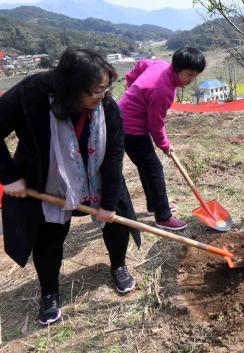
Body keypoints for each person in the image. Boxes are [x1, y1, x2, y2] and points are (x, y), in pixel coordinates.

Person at [0, 48, 141, 325]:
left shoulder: (108, 107)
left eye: (106, 88)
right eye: (95, 91)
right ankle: (49, 293)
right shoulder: (32, 94)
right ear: (71, 88)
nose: (103, 96)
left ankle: (119, 265)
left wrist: (109, 205)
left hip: (97, 175)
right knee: (49, 237)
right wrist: (9, 176)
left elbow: (114, 156)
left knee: (117, 223)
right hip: (48, 179)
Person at [119, 47, 206, 230]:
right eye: (189, 74)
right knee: (154, 169)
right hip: (130, 128)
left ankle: (153, 205)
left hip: (123, 120)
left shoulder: (160, 65)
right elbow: (156, 124)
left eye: (195, 75)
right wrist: (165, 145)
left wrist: (130, 82)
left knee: (146, 166)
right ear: (177, 68)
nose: (191, 80)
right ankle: (163, 216)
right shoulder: (163, 90)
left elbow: (141, 64)